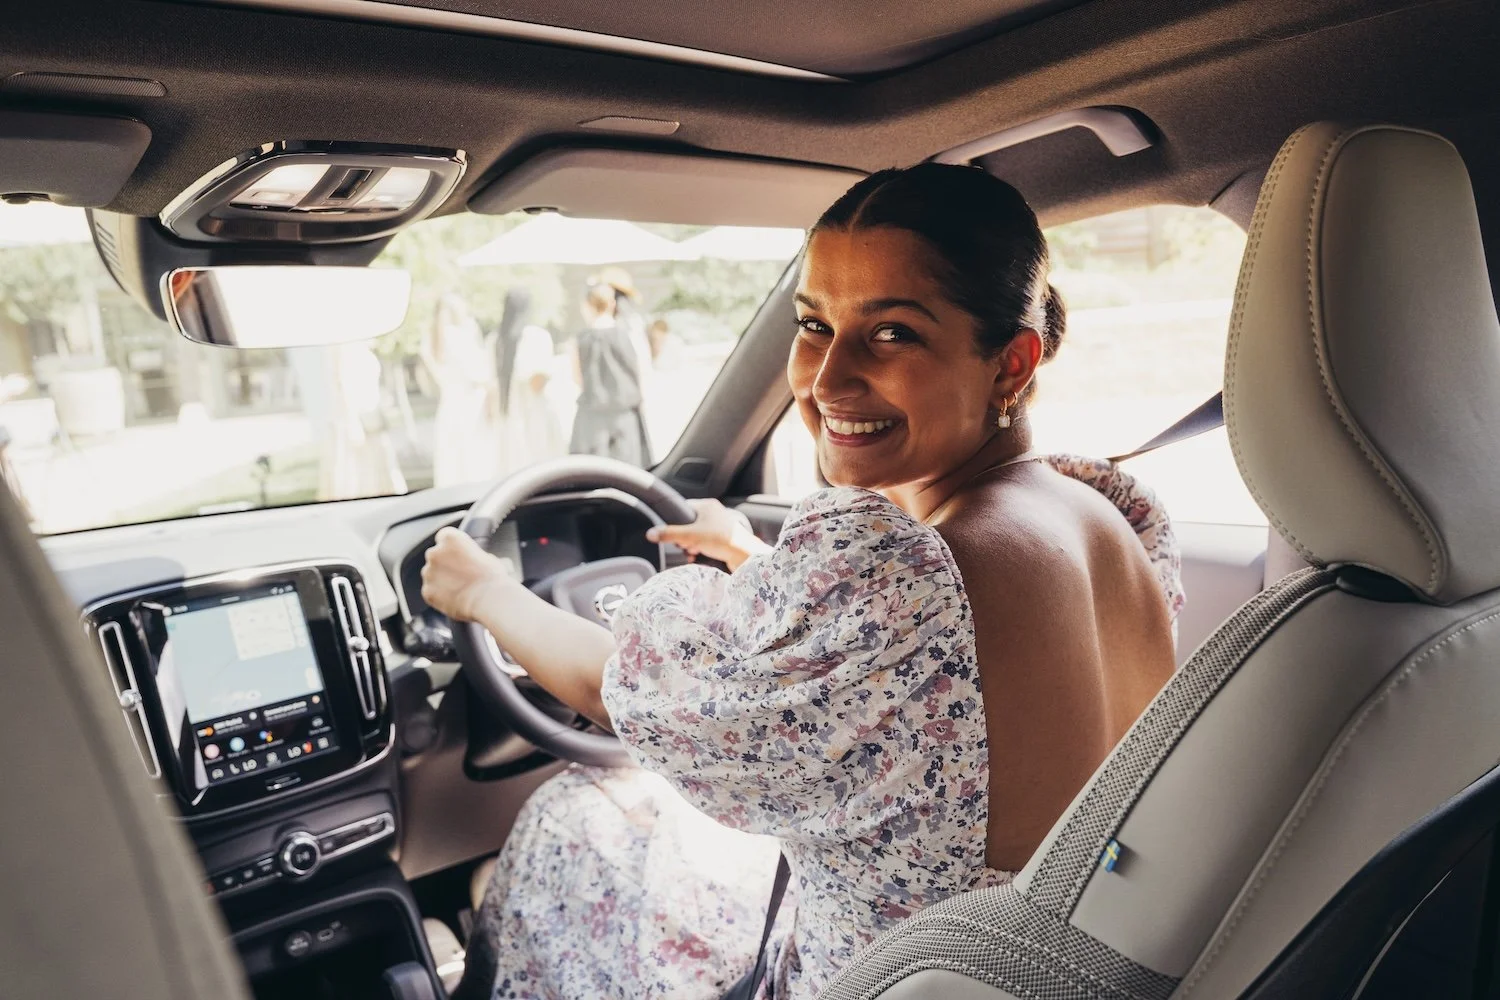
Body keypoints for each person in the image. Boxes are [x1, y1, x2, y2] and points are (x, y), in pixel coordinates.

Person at [423, 163, 1183, 1000]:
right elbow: (950, 672)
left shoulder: (897, 577)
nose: (827, 381)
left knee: (574, 821)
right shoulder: (1105, 514)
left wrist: (484, 594)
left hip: (896, 979)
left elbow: (640, 695)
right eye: (814, 324)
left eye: (892, 333)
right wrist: (753, 558)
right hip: (1041, 964)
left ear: (1011, 363)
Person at [567, 275, 652, 465]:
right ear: (612, 304)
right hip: (625, 416)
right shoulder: (630, 335)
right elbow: (642, 372)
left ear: (587, 305)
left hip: (591, 419)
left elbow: (577, 379)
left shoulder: (579, 340)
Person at [423, 293, 500, 488]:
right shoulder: (458, 337)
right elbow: (481, 374)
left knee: (452, 464)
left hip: (449, 405)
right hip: (471, 406)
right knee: (473, 464)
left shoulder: (431, 340)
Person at [493, 288, 565, 473]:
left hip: (508, 420)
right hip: (535, 418)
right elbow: (536, 384)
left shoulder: (496, 341)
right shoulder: (535, 336)